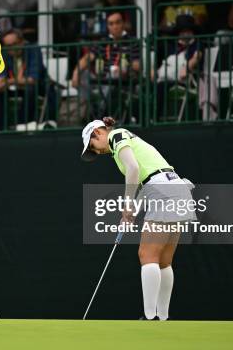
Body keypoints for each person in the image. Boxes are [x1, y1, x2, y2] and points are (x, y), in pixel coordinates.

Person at [80, 117, 196, 320]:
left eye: (93, 146)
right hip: (176, 188)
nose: (97, 152)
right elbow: (145, 177)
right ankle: (163, 317)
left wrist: (127, 204)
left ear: (98, 133)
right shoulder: (124, 140)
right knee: (164, 261)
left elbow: (133, 170)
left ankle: (150, 317)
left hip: (163, 190)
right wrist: (132, 211)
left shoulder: (116, 135)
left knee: (147, 254)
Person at [69, 11, 141, 123]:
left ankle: (98, 115)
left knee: (111, 78)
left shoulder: (132, 42)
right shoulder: (103, 42)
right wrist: (75, 73)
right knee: (83, 75)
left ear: (123, 24)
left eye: (118, 23)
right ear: (107, 26)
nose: (115, 27)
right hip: (102, 83)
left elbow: (138, 65)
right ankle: (97, 107)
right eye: (111, 24)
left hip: (123, 84)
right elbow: (87, 58)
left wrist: (127, 66)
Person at [156, 14, 217, 121]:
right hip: (169, 77)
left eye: (188, 31)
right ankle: (154, 117)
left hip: (190, 78)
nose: (185, 33)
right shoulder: (171, 45)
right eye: (182, 31)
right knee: (159, 86)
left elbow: (197, 57)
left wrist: (187, 67)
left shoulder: (197, 44)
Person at [0, 29, 56, 131]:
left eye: (14, 44)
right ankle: (1, 128)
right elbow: (1, 77)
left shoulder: (33, 50)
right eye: (8, 46)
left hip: (39, 86)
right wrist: (1, 83)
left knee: (30, 89)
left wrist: (9, 81)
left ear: (22, 42)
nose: (11, 49)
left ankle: (22, 124)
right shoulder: (4, 53)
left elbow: (32, 79)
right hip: (17, 87)